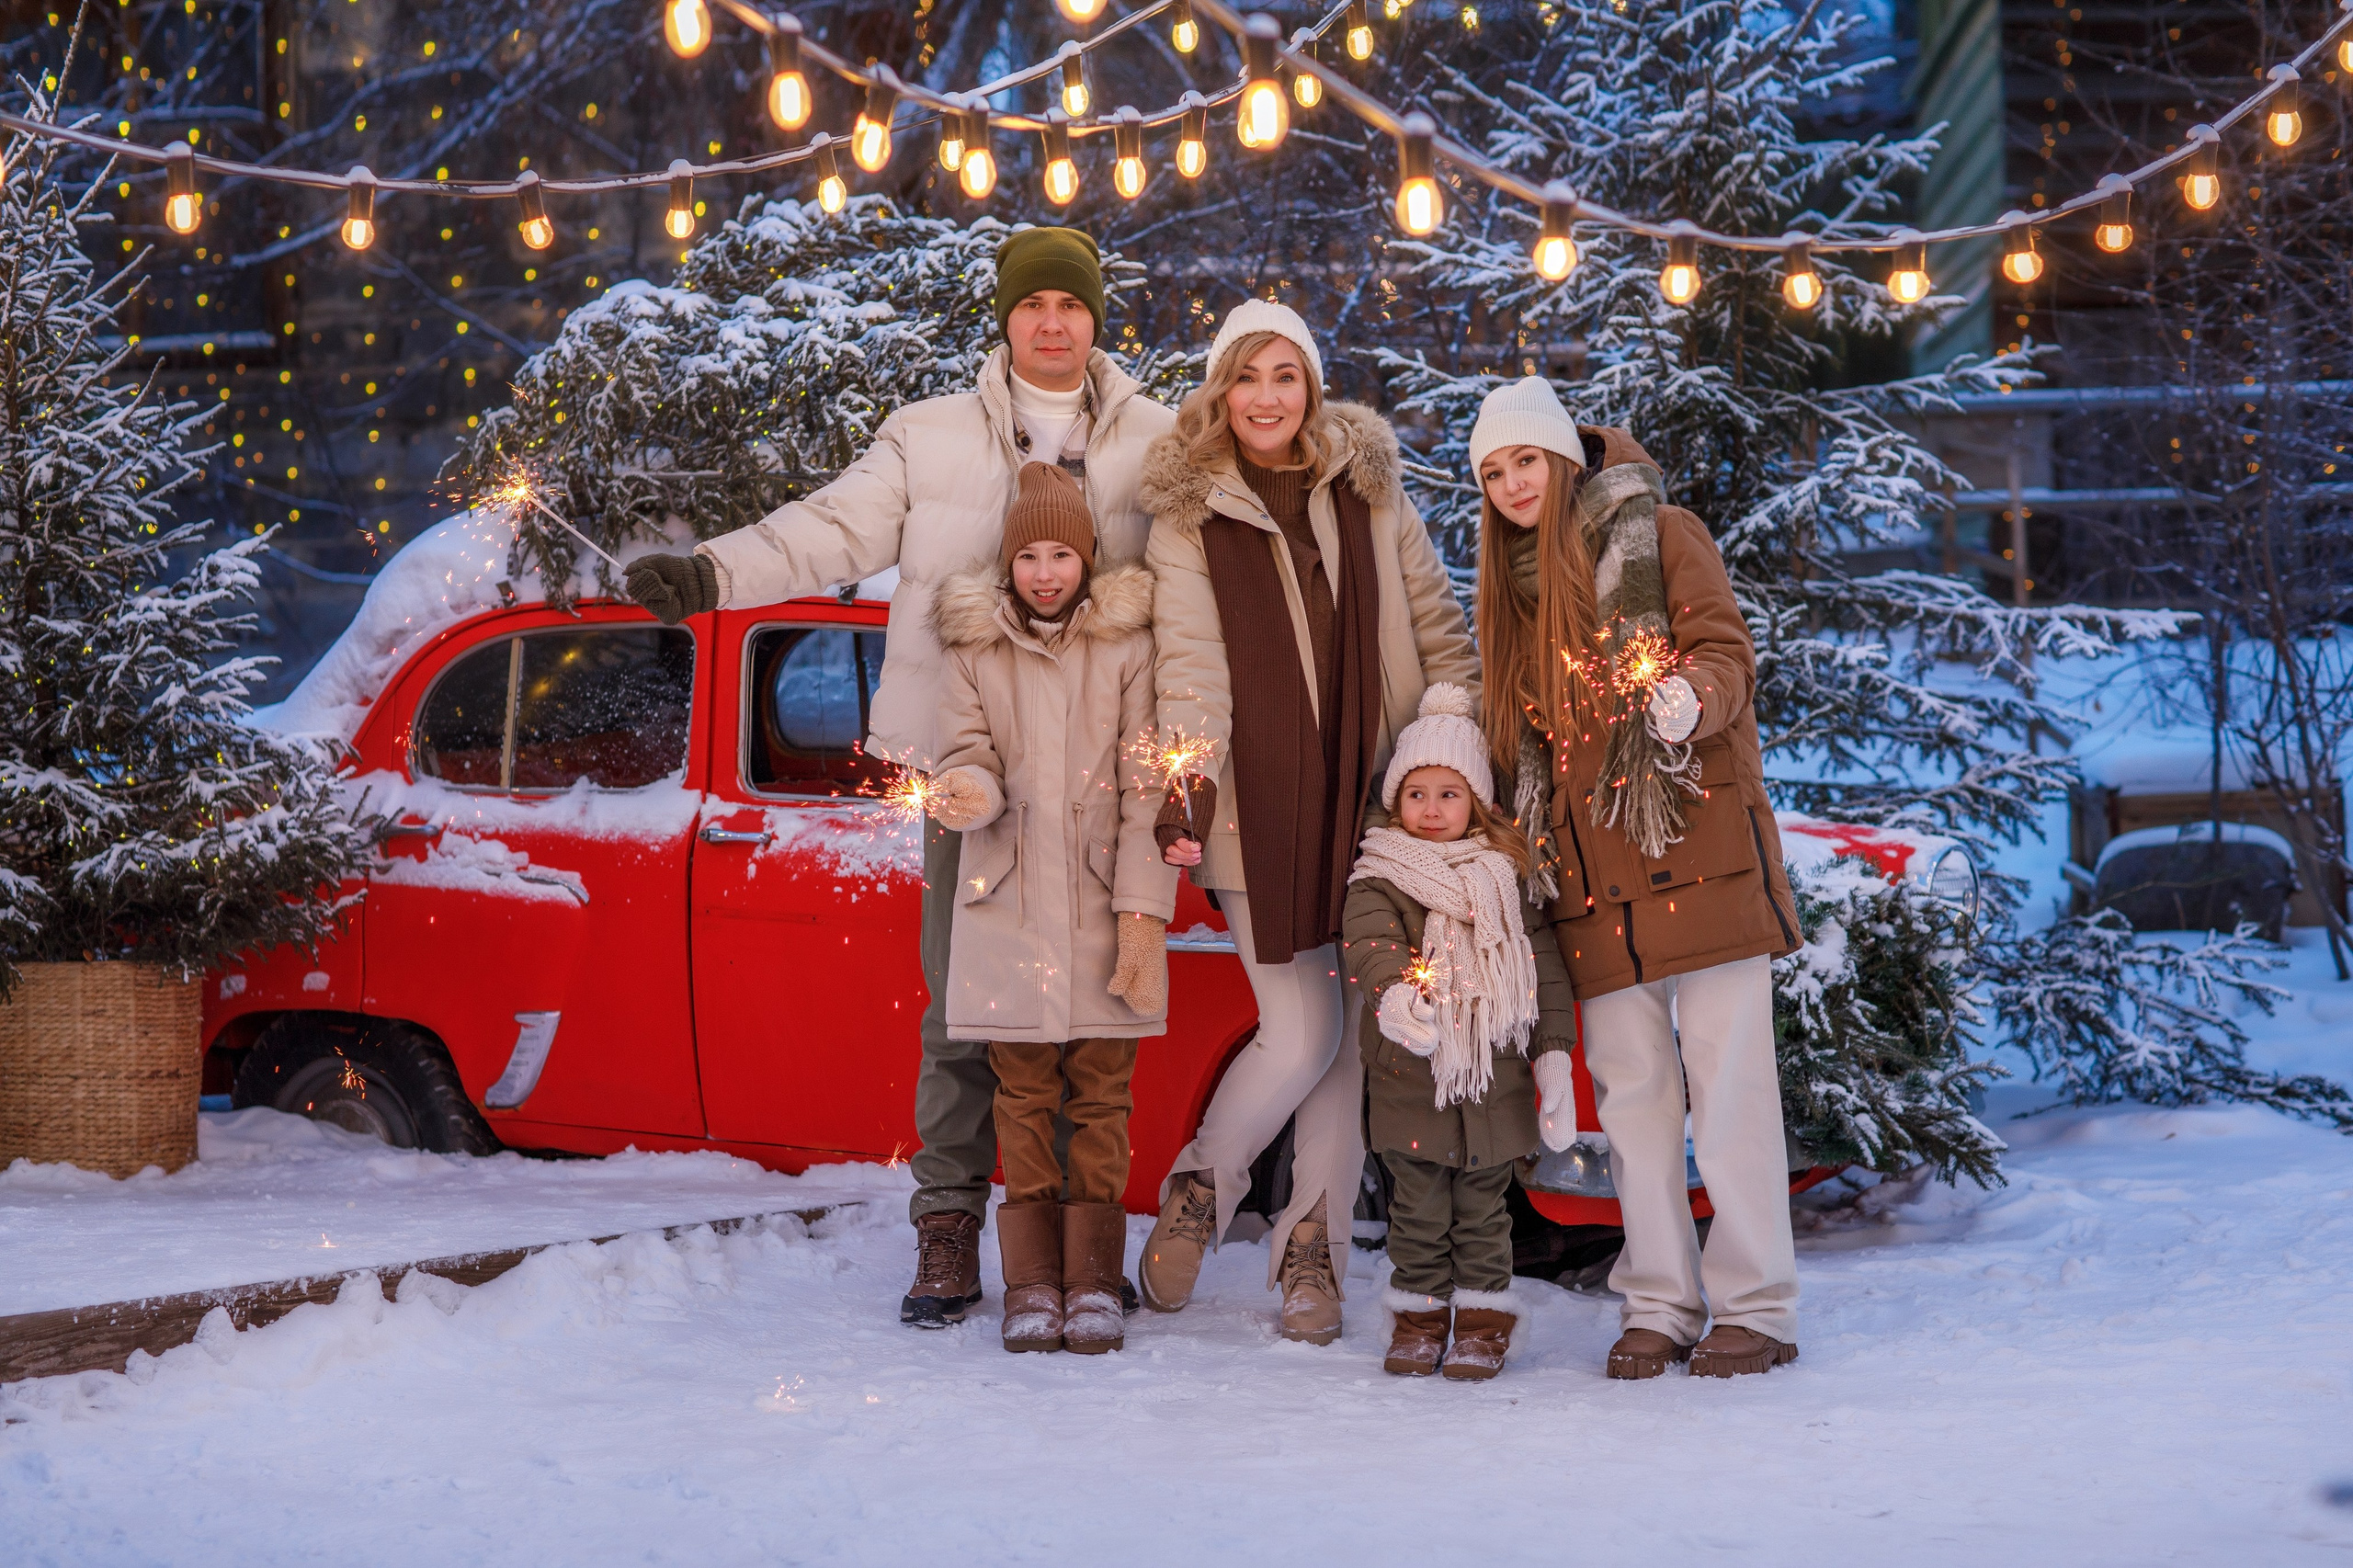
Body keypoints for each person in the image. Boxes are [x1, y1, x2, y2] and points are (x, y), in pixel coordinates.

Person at [625, 228, 1177, 1329]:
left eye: (1072, 304)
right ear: (1006, 319)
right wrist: (712, 571)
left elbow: (1207, 580)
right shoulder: (927, 438)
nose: (1052, 323)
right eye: (1033, 306)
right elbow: (832, 528)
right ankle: (949, 1226)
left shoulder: (1158, 442)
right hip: (965, 772)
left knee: (1097, 1020)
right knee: (966, 1012)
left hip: (1107, 783)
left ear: (1096, 318)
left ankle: (1080, 1241)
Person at [1135, 299, 1480, 1345]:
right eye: (1248, 376)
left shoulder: (1369, 491)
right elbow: (1190, 662)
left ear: (1312, 388)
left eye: (1286, 375)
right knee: (1302, 1028)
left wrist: (1450, 744)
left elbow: (1434, 624)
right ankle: (1202, 1185)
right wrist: (1184, 785)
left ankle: (1311, 1255)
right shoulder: (1188, 514)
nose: (1268, 397)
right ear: (1219, 391)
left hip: (1370, 805)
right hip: (1257, 815)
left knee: (1342, 1046)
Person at [1467, 375, 1802, 1380]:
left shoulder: (1658, 532)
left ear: (1563, 456)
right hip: (1589, 890)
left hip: (1698, 858)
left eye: (1525, 459)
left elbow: (1723, 651)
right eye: (1491, 471)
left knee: (1731, 1091)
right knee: (1634, 1104)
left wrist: (1687, 700)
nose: (1511, 483)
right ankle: (1658, 1297)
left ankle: (1756, 1304)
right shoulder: (1508, 588)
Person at [920, 463, 1176, 1355]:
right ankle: (1032, 1277)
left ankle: (1094, 1275)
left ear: (1087, 557)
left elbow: (1148, 785)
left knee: (1102, 1096)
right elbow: (964, 750)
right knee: (1023, 1096)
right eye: (1026, 554)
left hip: (1105, 904)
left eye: (1059, 552)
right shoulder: (974, 646)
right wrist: (966, 790)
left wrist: (1144, 915)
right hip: (1009, 906)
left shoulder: (1128, 646)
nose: (1043, 571)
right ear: (1006, 561)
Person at [1338, 683, 1578, 1381]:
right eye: (1418, 793)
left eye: (1450, 793)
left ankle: (1479, 1323)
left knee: (1484, 1217)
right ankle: (1416, 1322)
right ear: (1396, 801)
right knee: (1416, 1214)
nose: (1433, 809)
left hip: (1494, 1084)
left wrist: (1553, 1056)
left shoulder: (1504, 880)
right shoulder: (1378, 876)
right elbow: (1370, 946)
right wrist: (1392, 997)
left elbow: (1543, 973)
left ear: (1477, 802)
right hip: (1411, 1078)